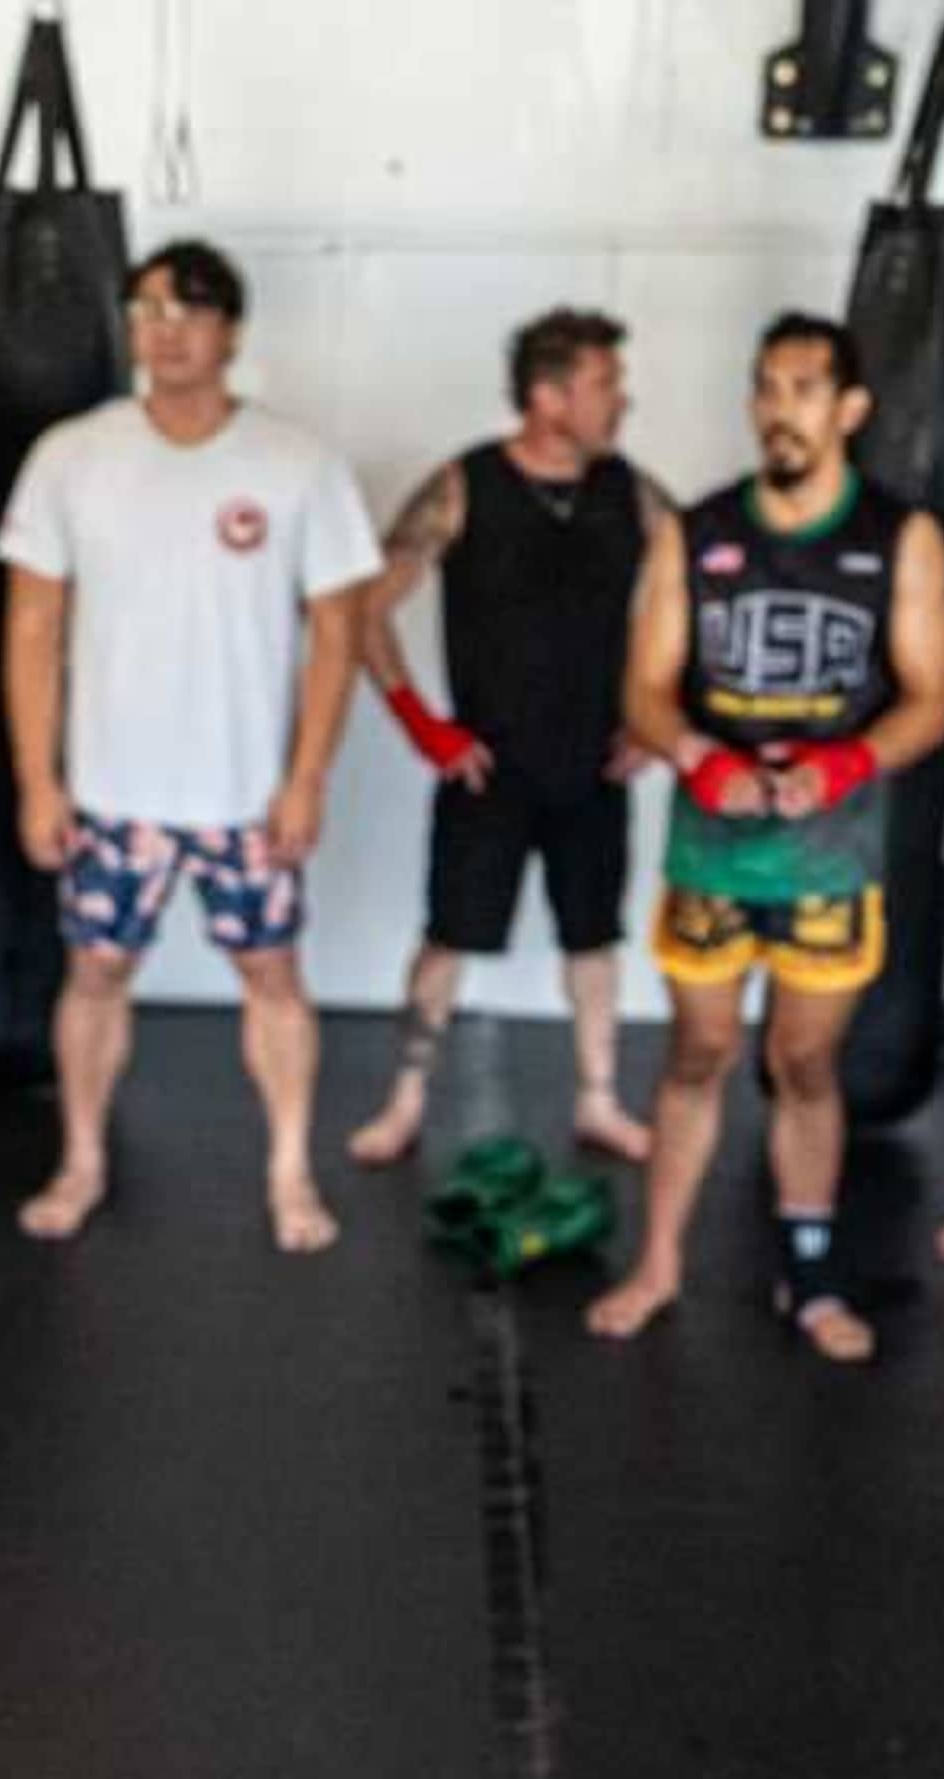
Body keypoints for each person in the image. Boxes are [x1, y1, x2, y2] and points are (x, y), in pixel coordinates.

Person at [584, 314, 944, 1360]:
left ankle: (809, 1275)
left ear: (849, 410)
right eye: (765, 388)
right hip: (712, 843)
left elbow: (932, 698)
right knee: (698, 1051)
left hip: (829, 849)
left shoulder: (900, 537)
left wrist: (843, 763)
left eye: (801, 389)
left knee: (804, 1064)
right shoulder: (694, 535)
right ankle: (659, 1261)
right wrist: (701, 755)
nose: (776, 410)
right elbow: (645, 689)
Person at [0, 239, 379, 1253]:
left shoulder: (299, 465)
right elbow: (31, 629)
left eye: (189, 310)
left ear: (232, 332)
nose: (166, 329)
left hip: (246, 794)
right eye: (148, 308)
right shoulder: (71, 457)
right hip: (115, 790)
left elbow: (338, 635)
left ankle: (291, 1171)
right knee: (94, 975)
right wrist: (39, 780)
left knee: (273, 978)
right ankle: (80, 1160)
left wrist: (307, 778)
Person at [347, 307, 663, 1171]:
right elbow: (363, 606)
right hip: (488, 766)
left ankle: (599, 1100)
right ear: (549, 396)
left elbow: (705, 595)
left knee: (594, 939)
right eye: (605, 385)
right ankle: (404, 1102)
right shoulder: (465, 486)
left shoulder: (628, 491)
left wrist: (659, 722)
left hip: (595, 763)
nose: (622, 402)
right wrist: (423, 726)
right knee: (449, 937)